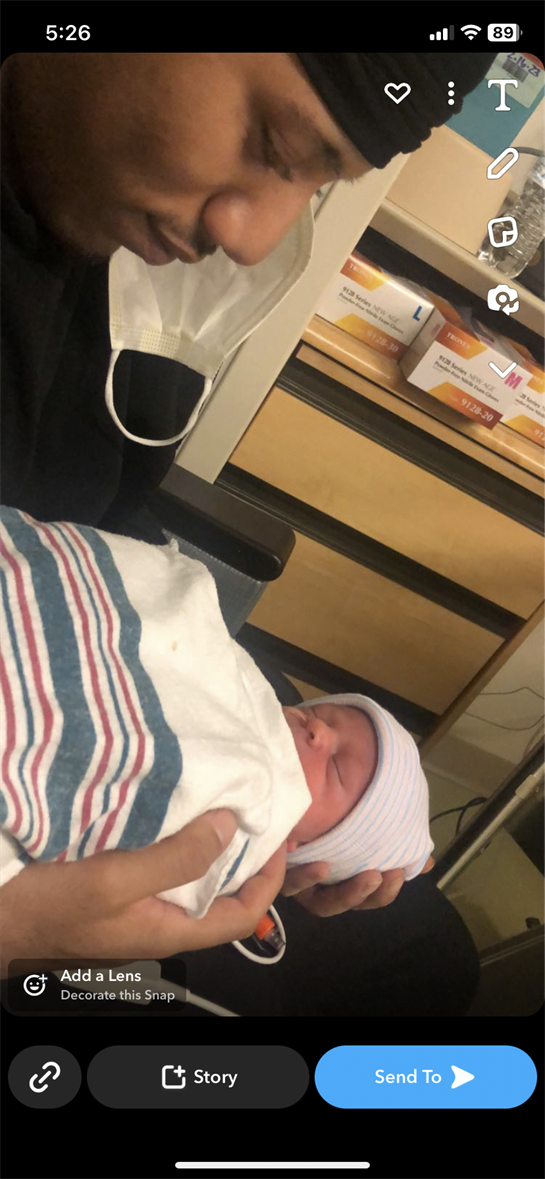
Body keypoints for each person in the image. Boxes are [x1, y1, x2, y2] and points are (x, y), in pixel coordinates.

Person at [0, 53, 492, 1003]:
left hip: (95, 634)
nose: (256, 235)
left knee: (421, 930)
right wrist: (19, 932)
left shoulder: (89, 214)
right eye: (274, 144)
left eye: (317, 182)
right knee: (417, 964)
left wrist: (343, 813)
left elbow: (106, 540)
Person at [0, 505, 433, 923]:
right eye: (325, 714)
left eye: (337, 769)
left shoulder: (254, 819)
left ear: (303, 844)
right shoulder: (242, 688)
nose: (317, 728)